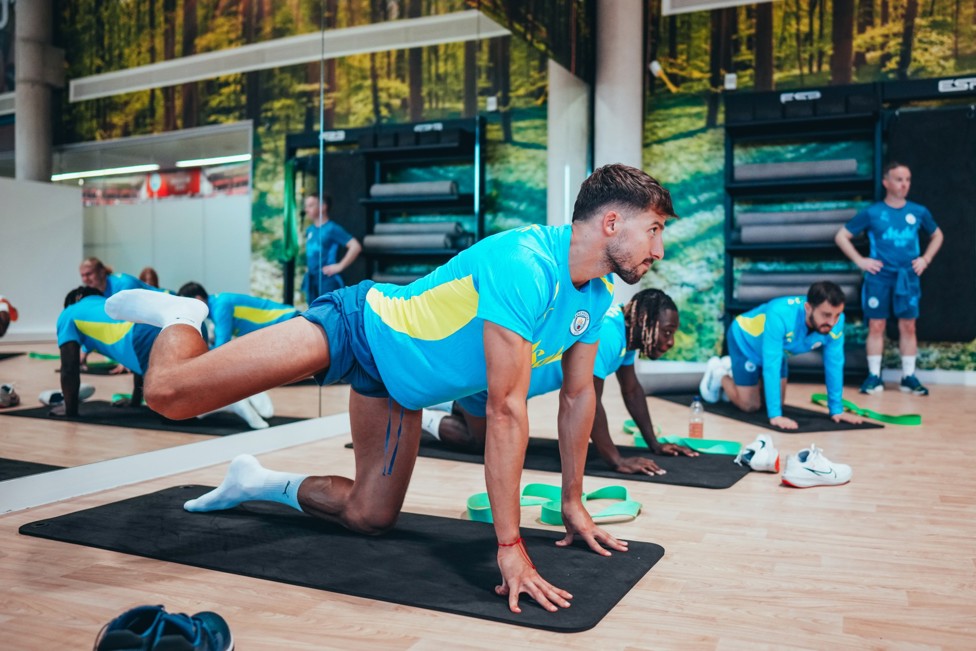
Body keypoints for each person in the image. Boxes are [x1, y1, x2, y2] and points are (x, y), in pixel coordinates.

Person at [105, 163, 675, 615]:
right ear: (609, 223)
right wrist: (510, 547)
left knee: (370, 516)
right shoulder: (525, 261)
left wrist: (573, 503)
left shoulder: (595, 301)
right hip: (361, 325)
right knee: (171, 395)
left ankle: (257, 480)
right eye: (653, 230)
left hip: (402, 389)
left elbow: (578, 400)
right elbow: (505, 409)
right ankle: (181, 316)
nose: (658, 249)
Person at [421, 289, 697, 475]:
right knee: (480, 444)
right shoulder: (610, 336)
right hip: (492, 382)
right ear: (644, 321)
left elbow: (632, 390)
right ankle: (423, 416)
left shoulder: (627, 336)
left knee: (500, 436)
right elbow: (590, 403)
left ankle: (451, 405)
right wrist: (616, 460)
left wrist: (655, 443)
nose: (670, 341)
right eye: (667, 332)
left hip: (513, 385)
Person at [53, 286, 270, 428]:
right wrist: (136, 400)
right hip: (172, 325)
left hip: (141, 336)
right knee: (193, 378)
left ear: (73, 299)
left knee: (170, 409)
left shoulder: (69, 313)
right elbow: (138, 362)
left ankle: (231, 402)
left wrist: (71, 411)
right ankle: (241, 392)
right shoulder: (103, 305)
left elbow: (69, 367)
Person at [834, 161, 943, 396]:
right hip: (879, 278)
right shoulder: (873, 213)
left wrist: (925, 259)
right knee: (876, 325)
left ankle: (908, 377)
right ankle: (874, 377)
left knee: (908, 325)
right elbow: (842, 236)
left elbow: (937, 235)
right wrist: (861, 260)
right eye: (899, 179)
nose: (904, 184)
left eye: (907, 179)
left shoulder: (918, 211)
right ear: (886, 182)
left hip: (908, 278)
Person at [699, 281, 864, 430]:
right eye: (826, 315)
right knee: (751, 406)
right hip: (745, 342)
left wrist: (836, 410)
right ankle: (719, 373)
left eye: (837, 315)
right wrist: (775, 416)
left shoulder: (835, 322)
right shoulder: (780, 314)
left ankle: (741, 381)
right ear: (808, 308)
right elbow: (772, 366)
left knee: (774, 401)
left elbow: (834, 364)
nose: (832, 322)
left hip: (779, 351)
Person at [177, 282, 298, 348]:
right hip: (285, 322)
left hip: (286, 321)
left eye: (187, 304)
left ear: (198, 299)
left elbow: (221, 347)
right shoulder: (218, 304)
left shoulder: (220, 307)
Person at [302, 193, 362, 306]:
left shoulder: (332, 228)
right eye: (306, 206)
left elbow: (355, 246)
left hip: (327, 280)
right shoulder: (310, 230)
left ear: (323, 207)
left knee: (326, 313)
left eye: (310, 205)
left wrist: (339, 266)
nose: (306, 209)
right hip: (312, 280)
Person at [80, 257, 160, 298]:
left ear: (101, 272)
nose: (85, 279)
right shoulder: (93, 292)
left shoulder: (123, 285)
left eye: (89, 274)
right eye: (82, 275)